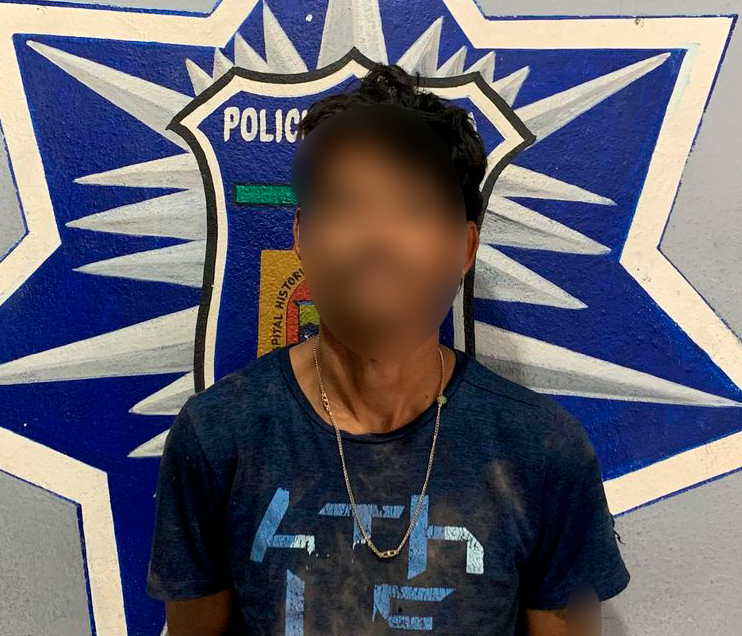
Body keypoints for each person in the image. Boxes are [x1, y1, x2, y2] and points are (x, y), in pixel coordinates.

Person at [146, 62, 630, 636]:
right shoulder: (217, 435)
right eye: (348, 205)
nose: (378, 238)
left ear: (464, 247)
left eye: (413, 208)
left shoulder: (545, 452)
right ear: (302, 234)